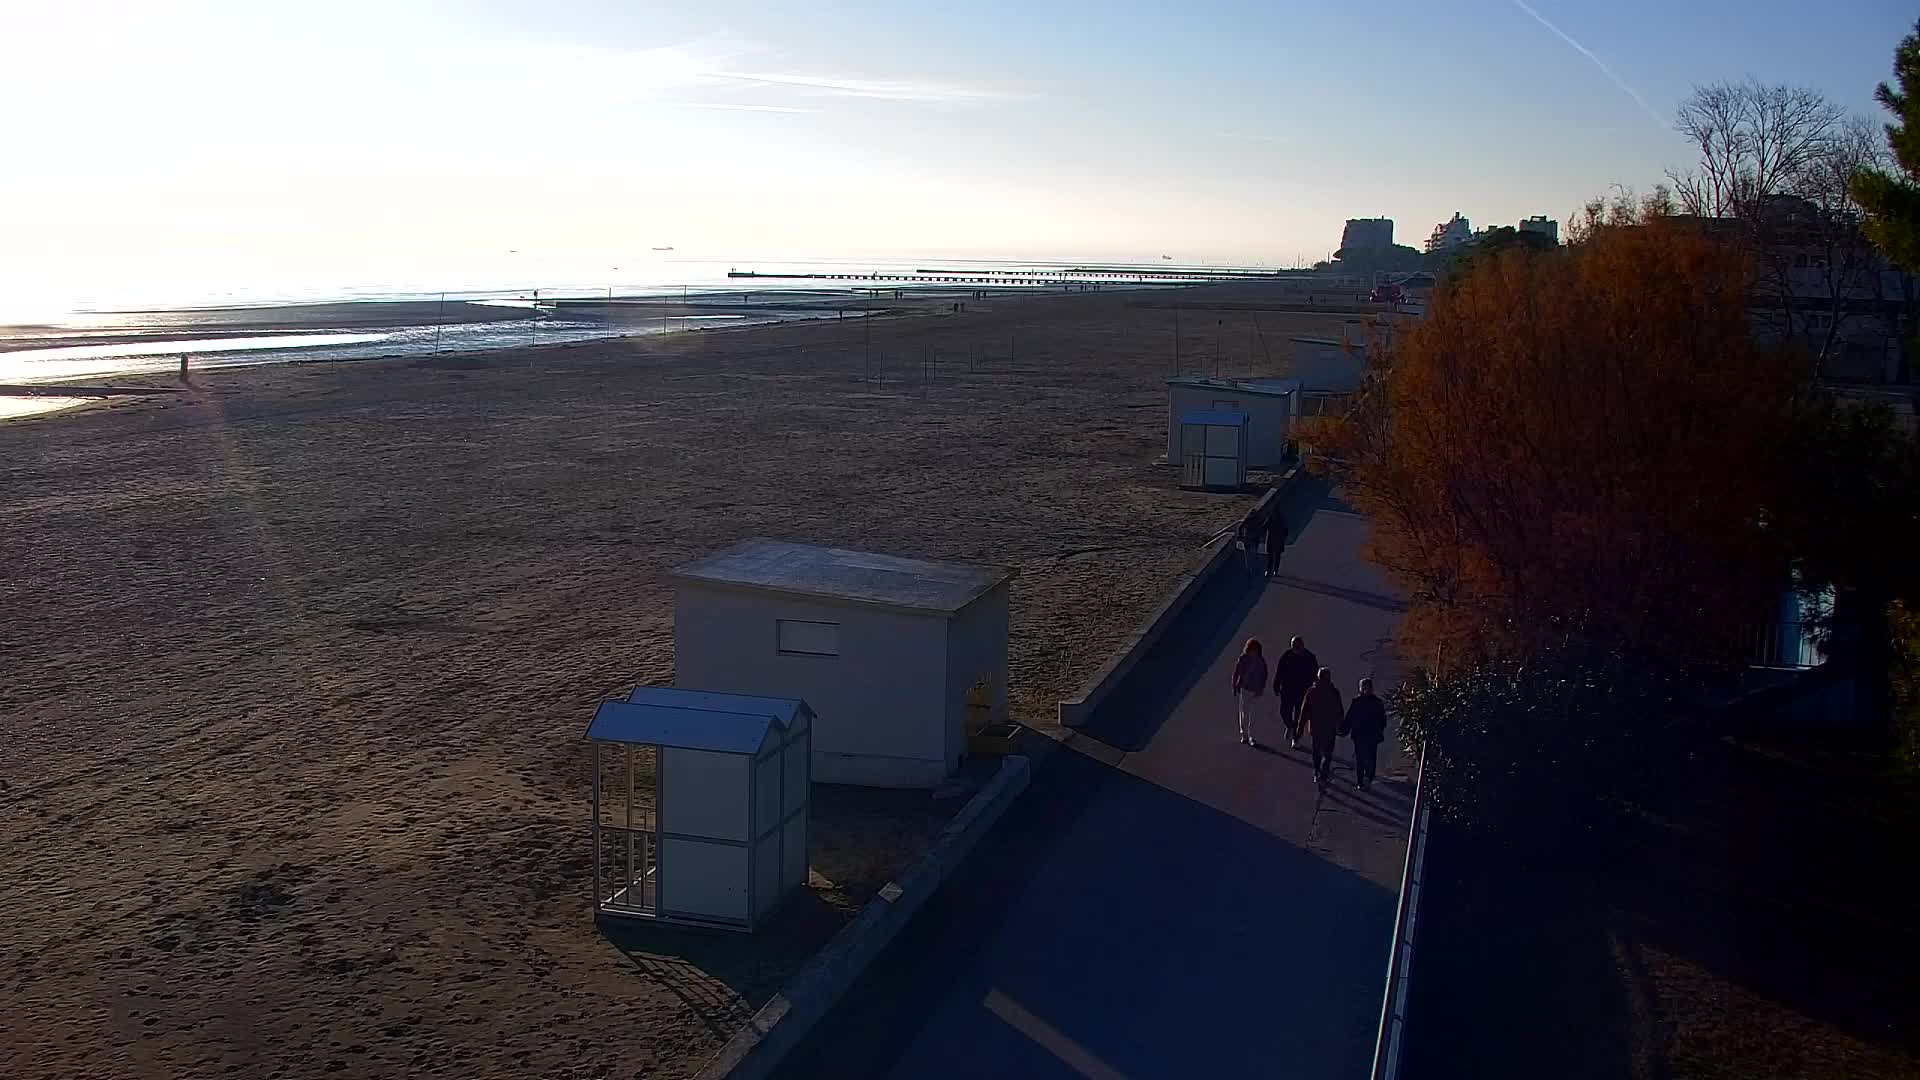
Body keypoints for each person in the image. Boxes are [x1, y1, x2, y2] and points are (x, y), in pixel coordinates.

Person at [1301, 666, 1344, 791]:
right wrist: (1340, 725)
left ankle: (1317, 772)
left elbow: (1304, 711)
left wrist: (1300, 728)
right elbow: (1339, 711)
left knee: (1317, 752)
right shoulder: (1333, 692)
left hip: (1316, 728)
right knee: (1327, 754)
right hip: (1328, 728)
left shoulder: (1312, 691)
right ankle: (1322, 775)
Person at [1341, 677, 1388, 789]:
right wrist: (1379, 730)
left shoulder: (1356, 702)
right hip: (1372, 735)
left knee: (1360, 758)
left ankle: (1361, 781)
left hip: (1359, 735)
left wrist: (1344, 730)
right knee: (1371, 757)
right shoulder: (1377, 702)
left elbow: (1350, 718)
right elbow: (1383, 720)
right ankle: (1367, 779)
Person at [1273, 636, 1319, 748]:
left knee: (1300, 716)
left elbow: (1315, 675)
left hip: (1302, 692)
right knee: (1284, 712)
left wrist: (1315, 690)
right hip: (1287, 690)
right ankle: (1290, 726)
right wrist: (1276, 685)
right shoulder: (1286, 656)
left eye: (1298, 646)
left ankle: (1296, 738)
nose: (1296, 648)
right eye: (1294, 646)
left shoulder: (1310, 658)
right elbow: (1280, 672)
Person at [1229, 638, 1269, 747]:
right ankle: (1244, 735)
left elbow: (1264, 675)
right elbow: (1236, 673)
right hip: (1245, 688)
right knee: (1244, 712)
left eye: (1255, 649)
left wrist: (1261, 688)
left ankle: (1251, 736)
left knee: (1253, 714)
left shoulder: (1261, 661)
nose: (1253, 652)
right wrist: (1234, 686)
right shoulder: (1243, 659)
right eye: (1252, 649)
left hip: (1255, 690)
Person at [1264, 509, 1289, 578]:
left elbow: (1264, 527)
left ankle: (1269, 570)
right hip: (1279, 541)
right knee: (1277, 557)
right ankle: (1275, 571)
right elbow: (1286, 531)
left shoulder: (1270, 519)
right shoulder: (1282, 520)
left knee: (1270, 557)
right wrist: (1283, 538)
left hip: (1271, 540)